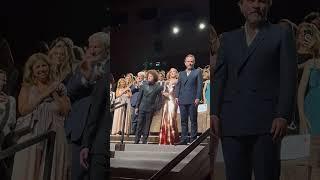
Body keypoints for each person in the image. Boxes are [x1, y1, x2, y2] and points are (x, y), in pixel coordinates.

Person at [211, 0, 297, 180]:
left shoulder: (281, 34)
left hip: (267, 123)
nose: (256, 5)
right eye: (250, 0)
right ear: (241, 6)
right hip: (232, 122)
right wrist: (214, 113)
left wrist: (282, 115)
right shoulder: (227, 39)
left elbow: (288, 77)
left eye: (261, 0)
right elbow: (219, 79)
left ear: (269, 4)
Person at [12, 53, 71, 180]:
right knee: (29, 170)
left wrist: (54, 91)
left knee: (50, 171)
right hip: (32, 134)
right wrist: (46, 92)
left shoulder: (59, 87)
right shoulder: (27, 87)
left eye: (44, 65)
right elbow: (23, 110)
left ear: (49, 67)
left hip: (55, 135)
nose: (41, 69)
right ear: (32, 71)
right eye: (37, 67)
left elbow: (65, 110)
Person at [79, 32, 110, 180]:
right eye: (90, 47)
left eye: (96, 47)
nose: (92, 51)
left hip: (100, 144)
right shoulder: (89, 66)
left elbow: (96, 109)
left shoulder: (106, 71)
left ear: (106, 49)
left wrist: (86, 143)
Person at [175, 54, 203, 145]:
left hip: (193, 99)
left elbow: (199, 86)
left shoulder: (197, 72)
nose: (190, 63)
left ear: (194, 62)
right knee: (183, 120)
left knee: (193, 120)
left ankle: (193, 139)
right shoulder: (181, 73)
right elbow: (178, 85)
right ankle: (184, 139)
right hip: (182, 99)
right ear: (185, 63)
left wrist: (198, 97)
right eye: (188, 61)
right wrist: (176, 96)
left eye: (192, 61)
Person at [297, 23, 320, 135]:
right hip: (307, 107)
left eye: (308, 33)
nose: (304, 36)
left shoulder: (314, 58)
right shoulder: (290, 54)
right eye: (301, 33)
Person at [134, 70, 163, 144]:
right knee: (139, 124)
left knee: (147, 125)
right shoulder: (143, 85)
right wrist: (137, 107)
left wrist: (157, 108)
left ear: (154, 77)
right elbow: (139, 97)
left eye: (151, 76)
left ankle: (144, 140)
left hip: (151, 108)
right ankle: (136, 140)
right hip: (142, 107)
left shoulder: (158, 87)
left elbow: (160, 99)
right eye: (148, 76)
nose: (149, 78)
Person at [0, 69, 16, 180]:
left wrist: (6, 106)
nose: (3, 82)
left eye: (4, 80)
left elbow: (11, 122)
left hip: (4, 138)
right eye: (0, 79)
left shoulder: (10, 100)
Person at [159, 68, 179, 145]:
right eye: (171, 72)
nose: (172, 73)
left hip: (173, 100)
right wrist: (163, 93)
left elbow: (179, 91)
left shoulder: (178, 81)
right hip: (166, 100)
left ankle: (173, 139)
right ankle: (164, 139)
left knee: (172, 117)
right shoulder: (166, 82)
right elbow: (163, 91)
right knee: (165, 118)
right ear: (169, 73)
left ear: (176, 73)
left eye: (174, 71)